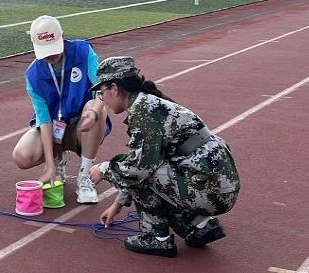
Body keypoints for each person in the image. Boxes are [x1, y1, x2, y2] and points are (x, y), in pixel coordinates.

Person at [89, 56, 240, 258]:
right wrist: (118, 204)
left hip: (211, 189)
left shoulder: (144, 111)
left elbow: (139, 169)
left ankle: (157, 238)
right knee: (148, 167)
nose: (103, 100)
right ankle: (199, 225)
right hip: (217, 185)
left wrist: (102, 169)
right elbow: (145, 160)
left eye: (101, 93)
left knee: (142, 172)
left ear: (114, 89)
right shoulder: (149, 103)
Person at [12, 15, 111, 204]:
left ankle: (84, 177)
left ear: (62, 36)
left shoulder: (82, 51)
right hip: (54, 127)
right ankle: (57, 161)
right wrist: (49, 166)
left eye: (53, 48)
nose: (51, 56)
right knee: (22, 156)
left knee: (95, 108)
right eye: (45, 51)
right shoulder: (34, 75)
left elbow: (102, 88)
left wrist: (94, 112)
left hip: (82, 125)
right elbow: (44, 120)